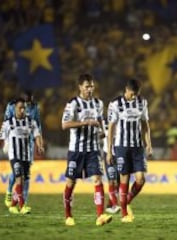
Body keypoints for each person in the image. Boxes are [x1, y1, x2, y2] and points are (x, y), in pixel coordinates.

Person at [61, 73, 112, 226]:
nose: (90, 89)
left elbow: (101, 122)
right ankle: (68, 216)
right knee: (71, 182)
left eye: (91, 86)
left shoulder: (98, 103)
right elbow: (65, 124)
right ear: (80, 87)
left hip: (93, 149)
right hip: (76, 150)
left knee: (97, 179)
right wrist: (86, 122)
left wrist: (103, 133)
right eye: (86, 86)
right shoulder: (73, 103)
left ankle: (100, 215)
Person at [107, 78, 152, 223]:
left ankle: (125, 201)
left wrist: (148, 144)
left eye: (137, 94)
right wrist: (109, 151)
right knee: (124, 178)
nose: (134, 97)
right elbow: (111, 128)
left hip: (138, 147)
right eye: (132, 94)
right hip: (122, 147)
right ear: (126, 90)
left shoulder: (142, 102)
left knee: (141, 179)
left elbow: (145, 125)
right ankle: (124, 214)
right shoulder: (115, 104)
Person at [0, 98, 44, 214]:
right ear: (15, 108)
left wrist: (39, 146)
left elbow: (37, 135)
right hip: (14, 155)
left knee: (23, 180)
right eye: (20, 108)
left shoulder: (31, 121)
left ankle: (13, 205)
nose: (22, 110)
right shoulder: (8, 123)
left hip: (26, 155)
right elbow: (0, 140)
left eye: (24, 108)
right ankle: (22, 206)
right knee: (19, 178)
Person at [100, 118, 121, 214]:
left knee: (118, 183)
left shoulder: (121, 120)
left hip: (120, 154)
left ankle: (109, 205)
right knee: (112, 181)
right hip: (108, 154)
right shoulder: (103, 122)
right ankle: (115, 205)